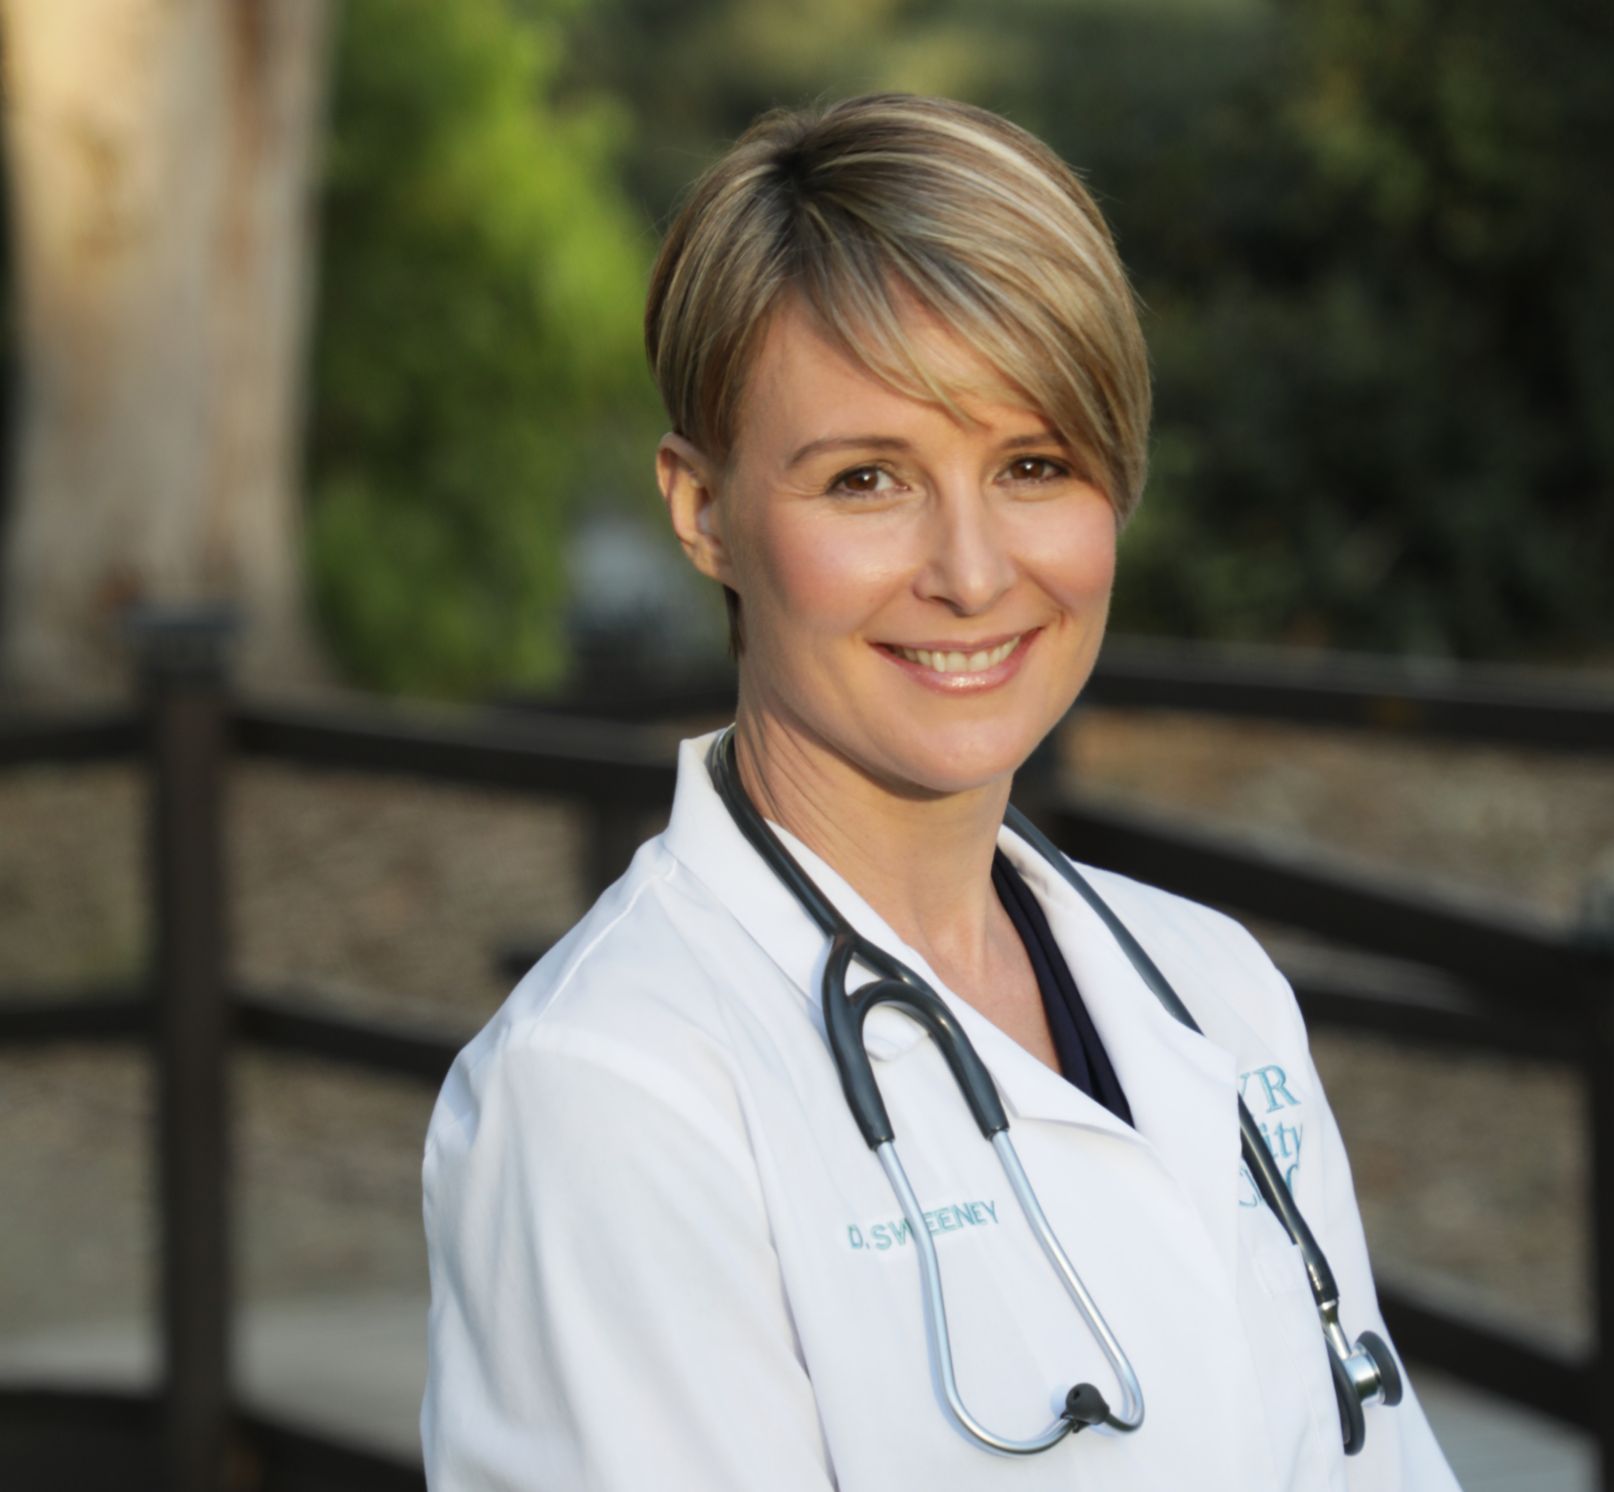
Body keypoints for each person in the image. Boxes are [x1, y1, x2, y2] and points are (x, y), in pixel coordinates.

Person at [421, 93, 1462, 1490]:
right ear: (702, 509)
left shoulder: (1217, 993)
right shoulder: (616, 1094)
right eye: (868, 479)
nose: (972, 573)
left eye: (1033, 465)